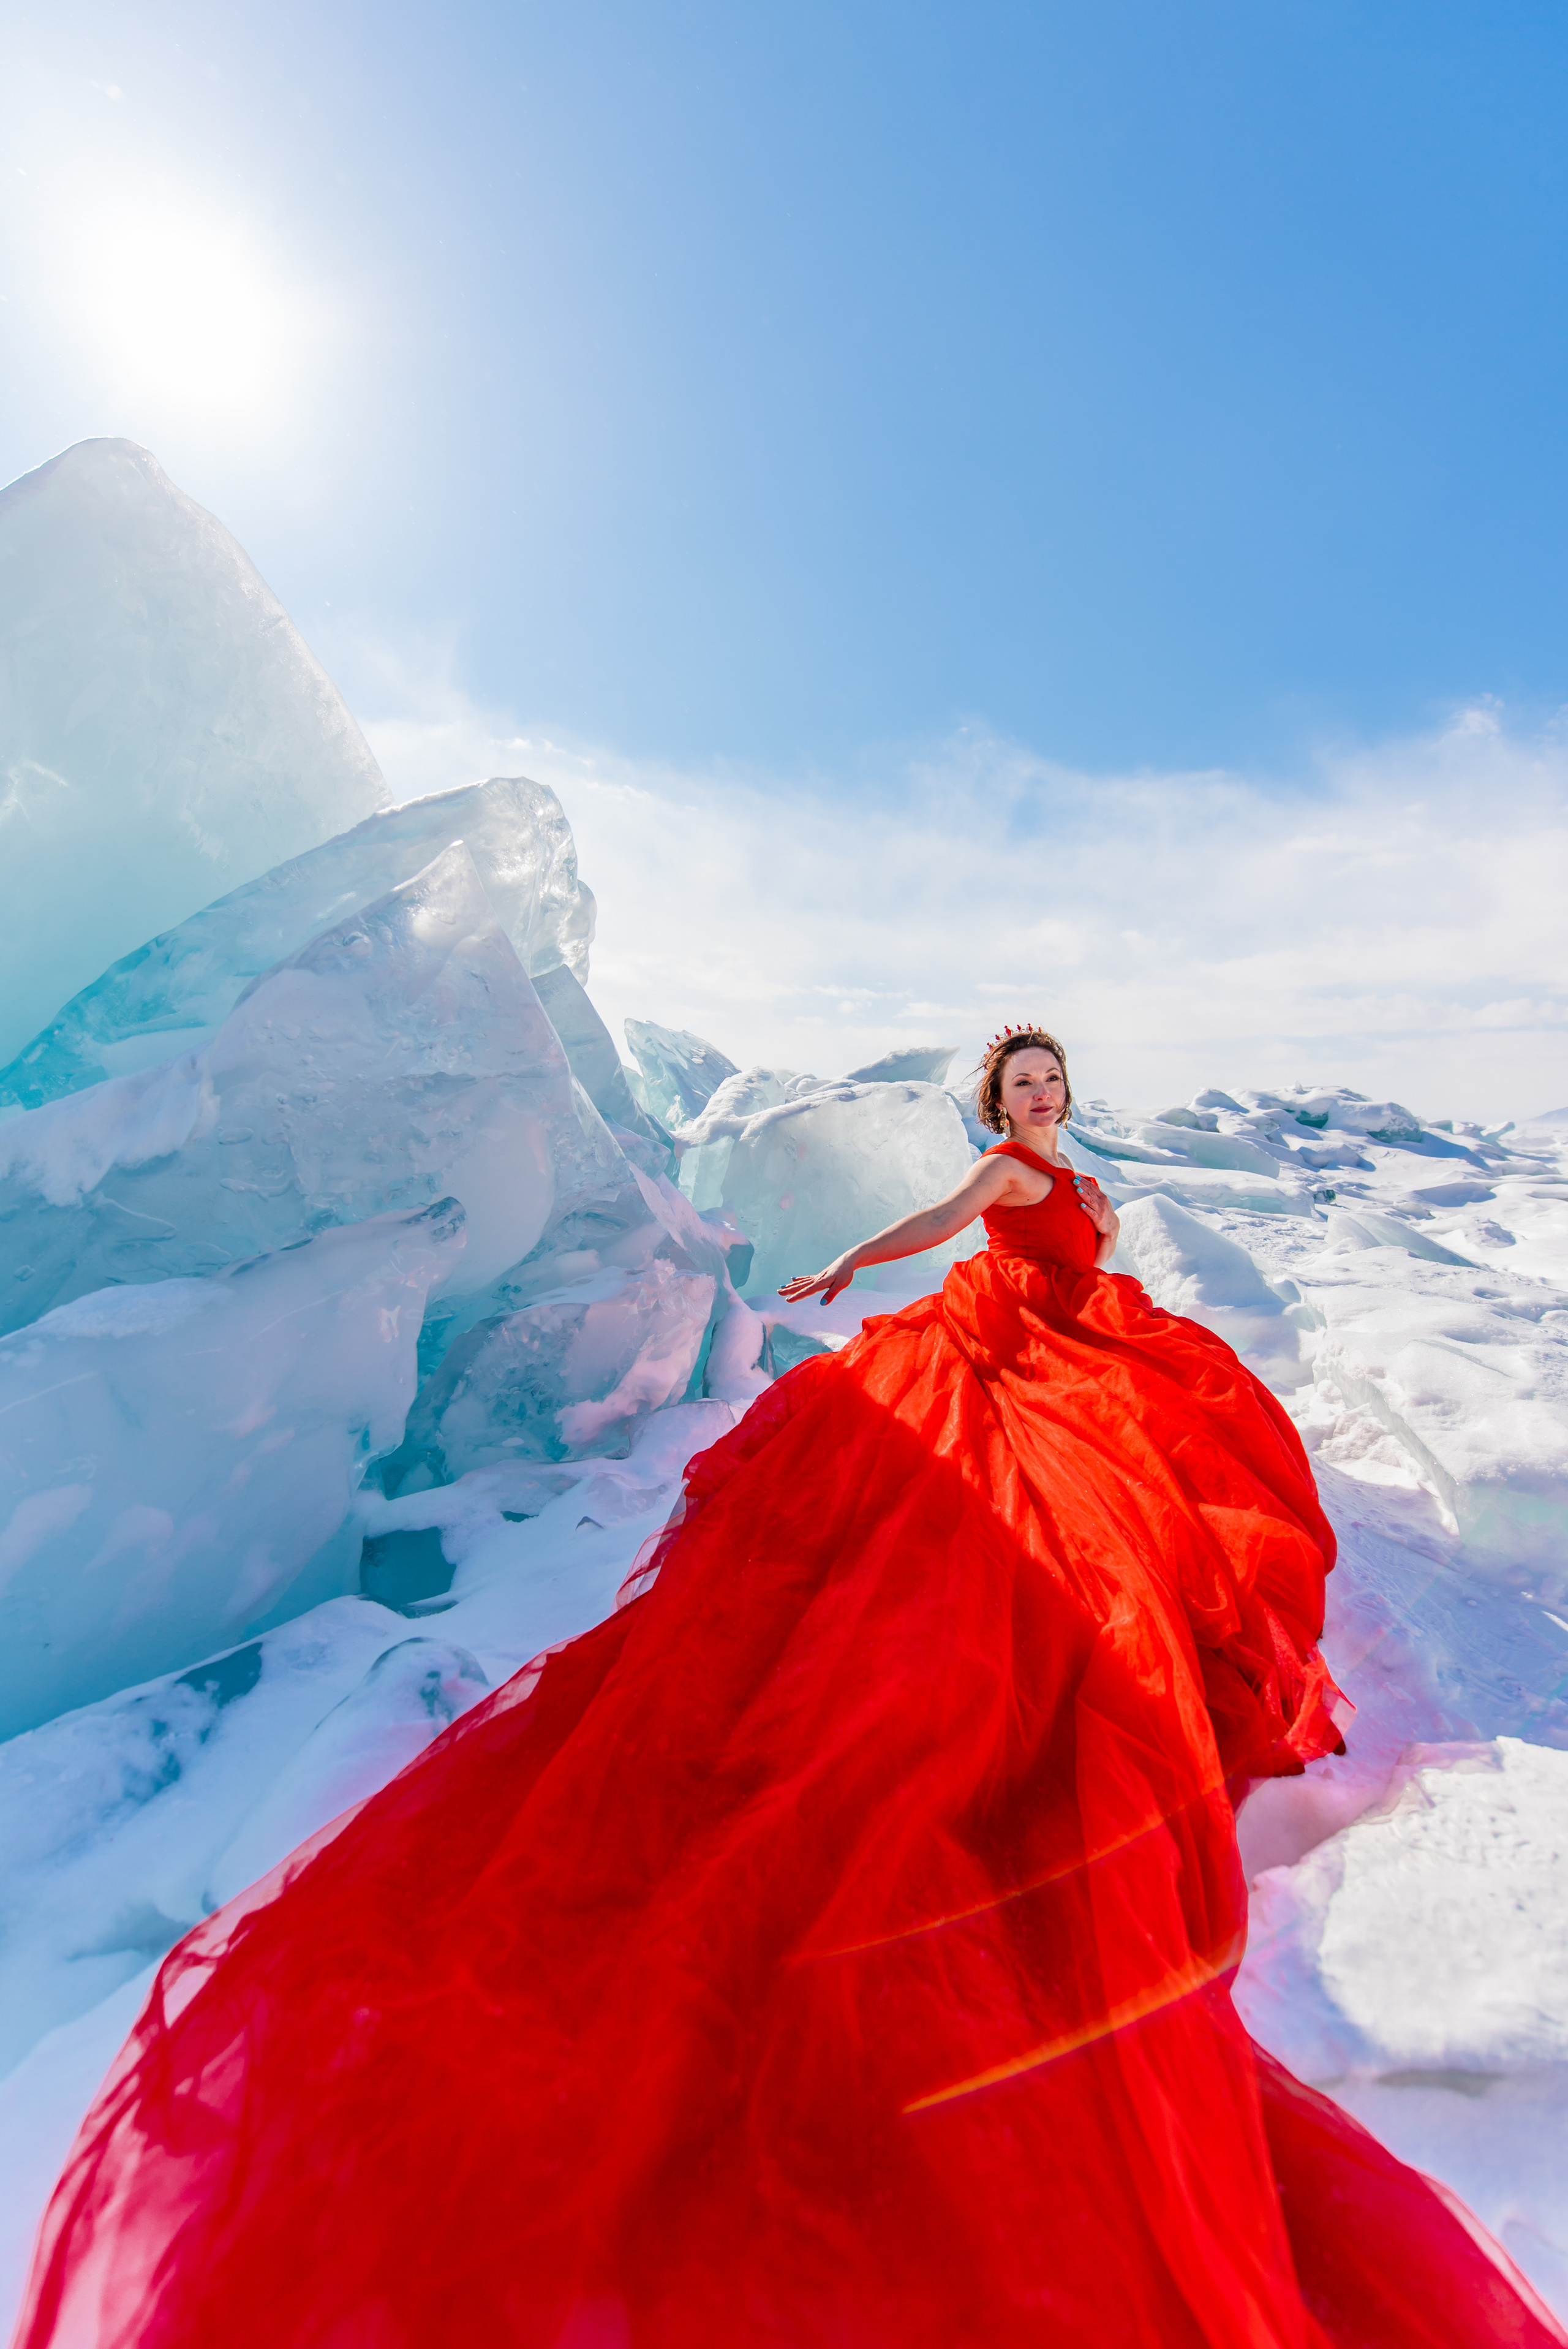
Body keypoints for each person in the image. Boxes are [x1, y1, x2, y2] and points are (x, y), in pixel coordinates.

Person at [13, 1030, 1562, 2349]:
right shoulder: (1009, 1177)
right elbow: (930, 1226)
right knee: (1051, 1522)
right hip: (1003, 1344)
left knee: (1186, 1451)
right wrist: (843, 1262)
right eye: (1016, 1080)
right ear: (992, 1096)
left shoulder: (1077, 1170)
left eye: (1047, 1079)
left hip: (1081, 1331)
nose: (1032, 1097)